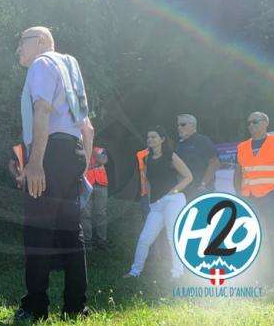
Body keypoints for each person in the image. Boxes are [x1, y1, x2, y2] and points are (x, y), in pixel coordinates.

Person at [14, 26, 94, 322]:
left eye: (22, 41)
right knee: (72, 234)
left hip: (49, 153)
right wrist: (83, 161)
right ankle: (76, 307)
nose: (18, 49)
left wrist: (35, 163)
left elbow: (42, 111)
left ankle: (36, 307)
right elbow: (88, 126)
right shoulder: (71, 66)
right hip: (72, 152)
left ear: (42, 41)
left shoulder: (42, 63)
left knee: (37, 231)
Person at [234, 111, 274, 282]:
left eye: (255, 122)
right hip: (249, 197)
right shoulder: (242, 146)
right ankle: (258, 271)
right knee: (253, 235)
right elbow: (238, 173)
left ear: (265, 123)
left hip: (273, 197)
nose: (251, 125)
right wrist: (239, 194)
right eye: (248, 122)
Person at [124, 126, 192, 279]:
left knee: (171, 237)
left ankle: (177, 273)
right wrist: (148, 198)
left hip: (173, 201)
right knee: (144, 239)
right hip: (155, 204)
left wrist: (173, 192)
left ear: (162, 139)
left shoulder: (170, 155)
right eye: (148, 137)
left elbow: (188, 176)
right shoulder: (147, 158)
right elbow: (147, 180)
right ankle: (134, 272)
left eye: (154, 137)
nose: (150, 140)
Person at [175, 114, 220, 199]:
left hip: (203, 191)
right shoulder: (179, 145)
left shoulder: (203, 140)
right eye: (178, 125)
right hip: (185, 193)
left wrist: (203, 184)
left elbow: (215, 162)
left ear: (192, 125)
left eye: (183, 124)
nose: (179, 127)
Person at [81, 146, 110, 250]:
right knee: (85, 214)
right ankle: (87, 242)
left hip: (101, 184)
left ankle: (101, 241)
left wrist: (91, 151)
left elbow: (103, 160)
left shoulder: (100, 149)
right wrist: (95, 165)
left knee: (101, 214)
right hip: (85, 183)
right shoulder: (78, 148)